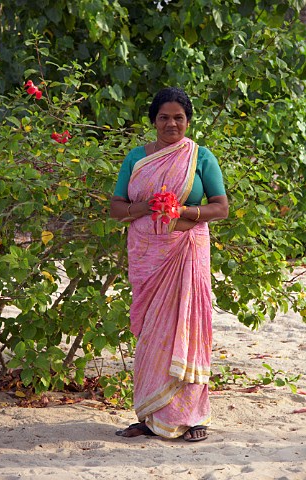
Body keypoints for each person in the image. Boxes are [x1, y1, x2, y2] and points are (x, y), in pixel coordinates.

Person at [110, 87, 228, 442]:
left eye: (178, 117)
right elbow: (117, 208)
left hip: (187, 251)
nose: (171, 123)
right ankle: (149, 416)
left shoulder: (201, 157)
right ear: (153, 121)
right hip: (149, 258)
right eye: (164, 117)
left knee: (189, 327)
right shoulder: (135, 158)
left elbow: (220, 208)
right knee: (152, 336)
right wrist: (147, 207)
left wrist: (182, 211)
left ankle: (193, 417)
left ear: (188, 121)